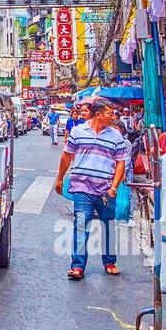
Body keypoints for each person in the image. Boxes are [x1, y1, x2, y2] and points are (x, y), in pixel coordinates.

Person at [55, 97, 127, 280]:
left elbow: (120, 164)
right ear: (98, 114)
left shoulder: (116, 136)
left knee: (108, 225)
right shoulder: (78, 132)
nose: (113, 116)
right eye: (109, 113)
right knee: (81, 225)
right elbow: (67, 156)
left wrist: (114, 188)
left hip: (105, 190)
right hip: (82, 187)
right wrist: (60, 178)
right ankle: (78, 266)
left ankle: (110, 261)